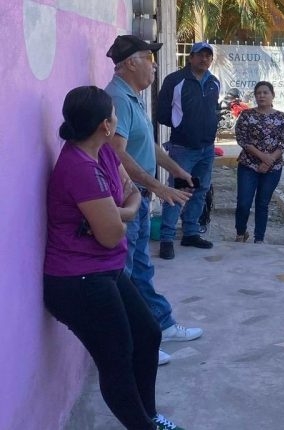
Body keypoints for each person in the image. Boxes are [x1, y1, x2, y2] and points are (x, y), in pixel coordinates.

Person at [44, 86, 183, 430]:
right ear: (105, 125)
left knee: (148, 335)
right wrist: (120, 213)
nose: (117, 119)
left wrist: (118, 211)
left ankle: (149, 417)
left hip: (104, 269)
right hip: (78, 281)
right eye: (114, 115)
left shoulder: (103, 152)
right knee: (117, 358)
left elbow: (132, 194)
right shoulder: (79, 167)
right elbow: (111, 235)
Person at [105, 35, 203, 366]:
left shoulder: (132, 98)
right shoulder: (117, 99)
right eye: (149, 57)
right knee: (126, 273)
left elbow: (148, 146)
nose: (154, 64)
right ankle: (133, 345)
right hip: (129, 197)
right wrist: (158, 187)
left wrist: (178, 172)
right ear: (130, 63)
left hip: (141, 197)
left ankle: (161, 324)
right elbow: (117, 155)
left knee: (142, 269)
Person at [157, 41, 221, 260]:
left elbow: (213, 110)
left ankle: (191, 233)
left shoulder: (214, 82)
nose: (204, 59)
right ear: (191, 57)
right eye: (200, 55)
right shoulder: (175, 80)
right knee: (178, 191)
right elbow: (162, 113)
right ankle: (167, 238)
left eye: (208, 56)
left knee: (200, 190)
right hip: (183, 148)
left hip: (207, 148)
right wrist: (182, 126)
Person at [234, 81, 284, 243]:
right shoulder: (247, 115)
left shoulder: (281, 117)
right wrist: (262, 157)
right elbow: (242, 138)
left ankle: (259, 238)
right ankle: (241, 233)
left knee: (262, 203)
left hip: (273, 167)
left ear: (273, 95)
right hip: (248, 165)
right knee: (244, 202)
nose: (261, 96)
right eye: (258, 93)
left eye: (265, 92)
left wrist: (269, 160)